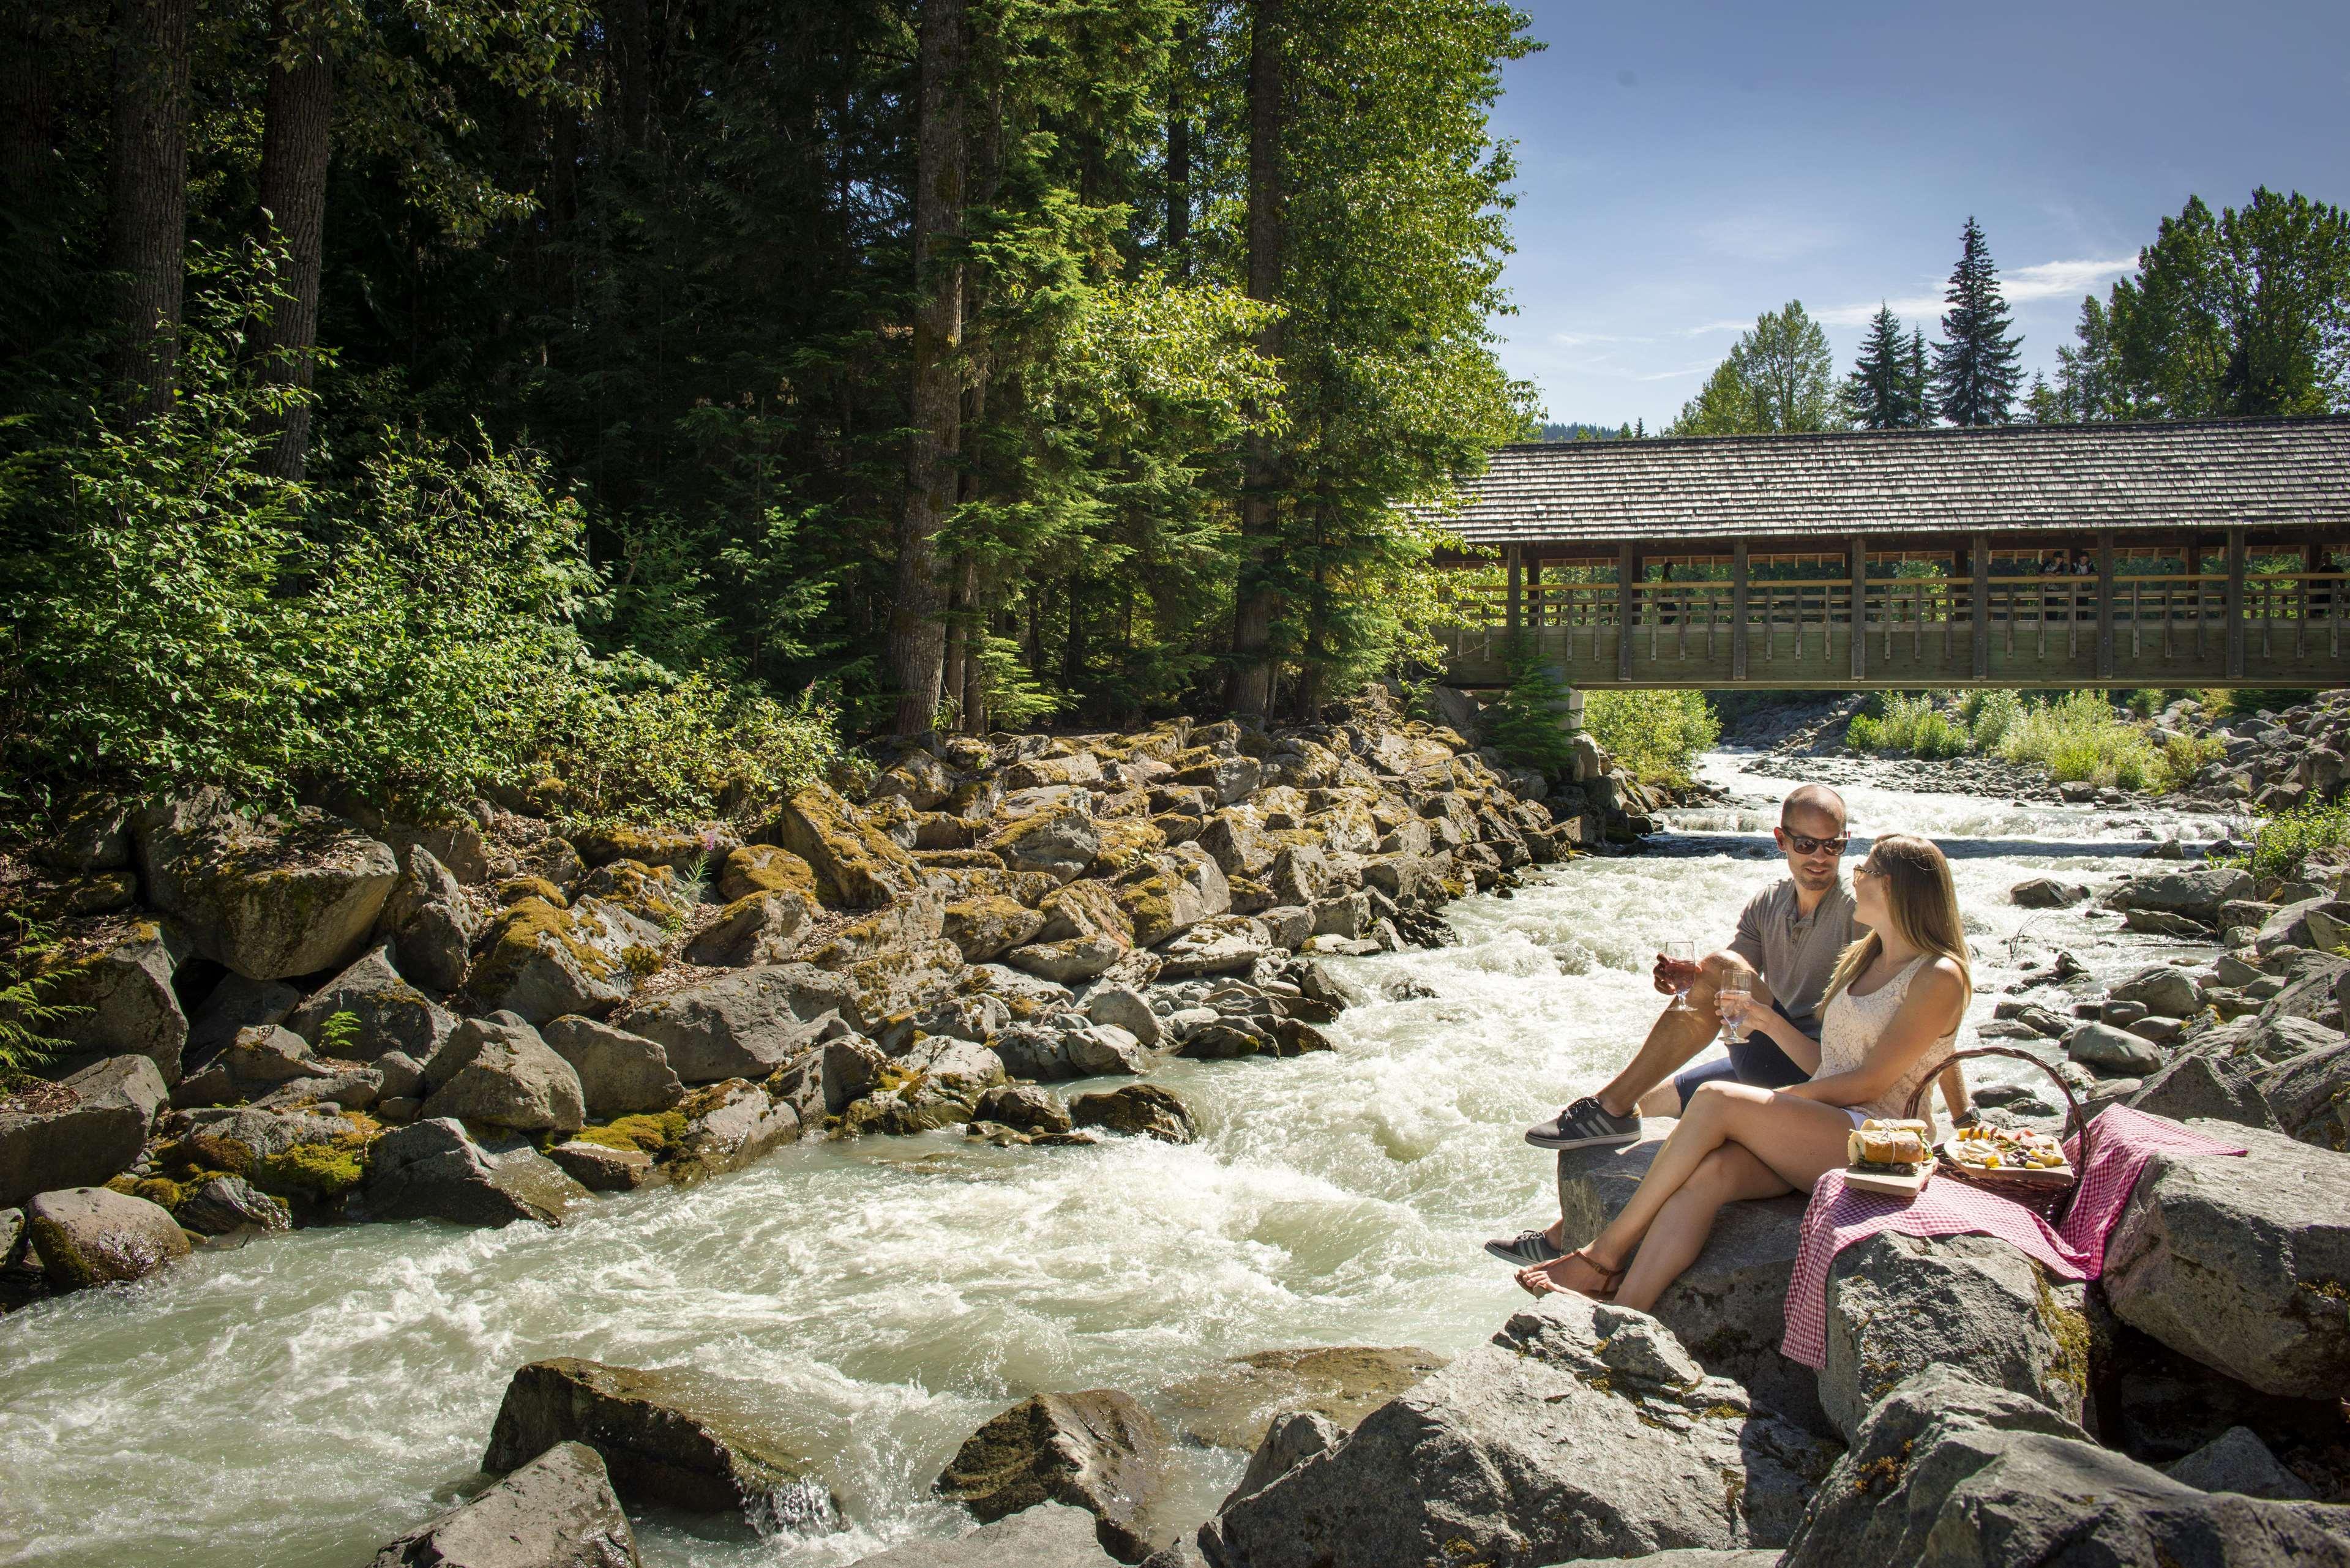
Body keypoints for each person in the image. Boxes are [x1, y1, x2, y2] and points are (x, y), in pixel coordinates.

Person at [1511, 833, 1971, 1306]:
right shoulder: (1865, 956)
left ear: (1893, 887)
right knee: (1709, 1177)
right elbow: (1832, 1064)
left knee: (1715, 1097)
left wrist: (1777, 1101)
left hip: (1881, 1142)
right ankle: (1626, 1310)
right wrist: (1767, 1021)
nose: (1854, 878)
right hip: (1827, 1132)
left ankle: (1599, 1256)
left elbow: (1871, 1082)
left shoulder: (1937, 974)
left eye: (1865, 870)